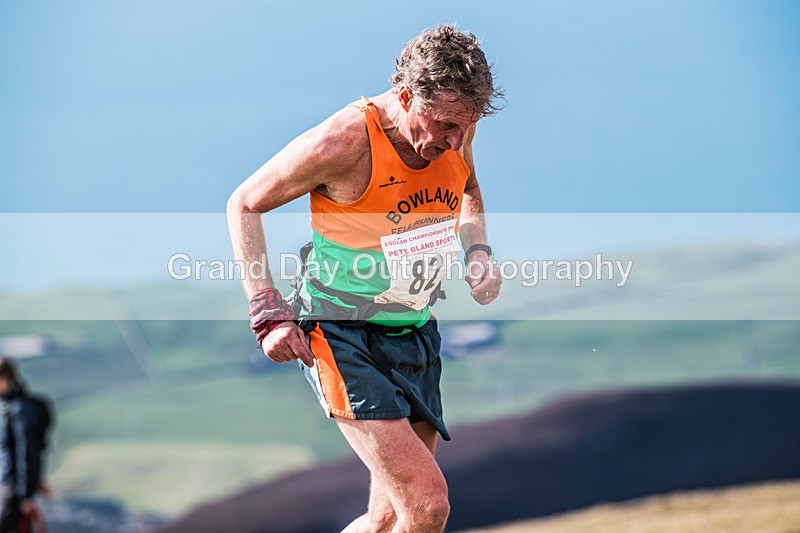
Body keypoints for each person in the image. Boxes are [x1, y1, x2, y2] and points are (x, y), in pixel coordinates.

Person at [227, 24, 503, 532]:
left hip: (414, 329)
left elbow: (468, 185)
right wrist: (267, 313)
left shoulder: (454, 123)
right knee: (427, 505)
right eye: (444, 125)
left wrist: (478, 249)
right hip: (340, 335)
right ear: (404, 95)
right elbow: (244, 203)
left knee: (388, 517)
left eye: (467, 125)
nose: (455, 140)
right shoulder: (344, 142)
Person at [0, 358, 51, 533]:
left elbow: (26, 452)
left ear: (4, 378)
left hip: (12, 490)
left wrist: (25, 496)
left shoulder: (19, 410)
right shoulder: (18, 406)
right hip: (15, 488)